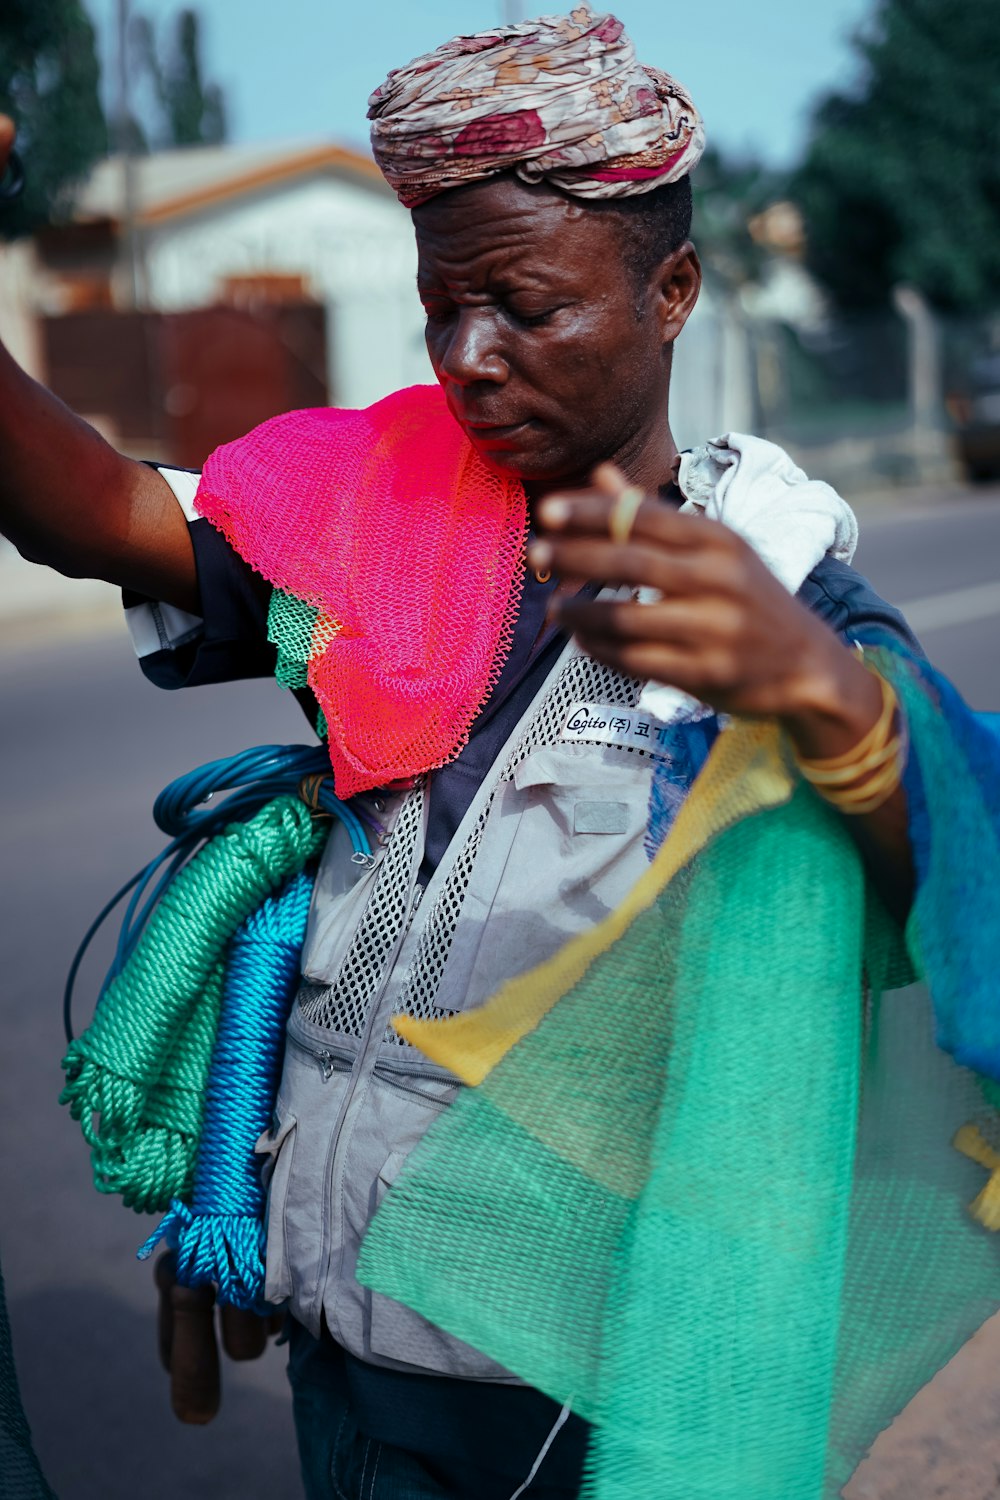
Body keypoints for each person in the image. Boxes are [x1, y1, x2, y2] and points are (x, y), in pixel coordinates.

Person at [0, 11, 968, 1499]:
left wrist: (837, 707)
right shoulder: (377, 524)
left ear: (672, 292)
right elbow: (96, 515)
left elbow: (960, 885)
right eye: (439, 307)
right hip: (352, 1348)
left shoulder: (775, 592)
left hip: (581, 1387)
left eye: (520, 306)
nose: (467, 359)